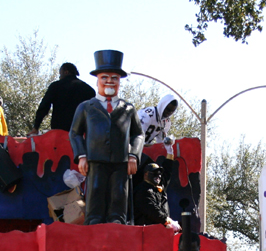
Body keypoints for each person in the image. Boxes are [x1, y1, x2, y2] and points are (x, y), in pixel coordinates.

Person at [69, 50, 144, 224]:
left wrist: (133, 155)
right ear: (97, 80)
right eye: (105, 77)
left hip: (121, 161)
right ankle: (94, 221)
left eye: (114, 78)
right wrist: (81, 155)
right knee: (95, 189)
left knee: (119, 192)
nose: (109, 81)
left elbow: (138, 134)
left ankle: (117, 220)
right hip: (95, 160)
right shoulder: (86, 107)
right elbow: (75, 133)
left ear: (119, 81)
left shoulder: (128, 108)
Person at [30, 63, 95, 134]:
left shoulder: (55, 86)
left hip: (60, 132)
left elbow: (44, 107)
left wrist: (36, 126)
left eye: (60, 74)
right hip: (81, 132)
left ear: (66, 72)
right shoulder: (89, 90)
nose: (59, 77)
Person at [134, 162, 180, 230]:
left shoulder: (157, 189)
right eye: (155, 173)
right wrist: (168, 221)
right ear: (146, 174)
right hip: (145, 231)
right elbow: (152, 210)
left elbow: (167, 175)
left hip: (157, 231)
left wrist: (170, 156)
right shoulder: (143, 190)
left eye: (159, 174)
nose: (158, 176)